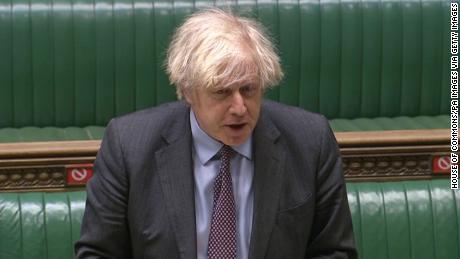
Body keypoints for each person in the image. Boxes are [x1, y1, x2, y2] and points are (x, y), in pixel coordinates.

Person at [75, 8, 357, 259]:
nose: (239, 107)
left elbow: (334, 251)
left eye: (248, 89)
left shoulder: (310, 142)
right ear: (187, 90)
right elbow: (98, 252)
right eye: (222, 92)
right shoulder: (129, 146)